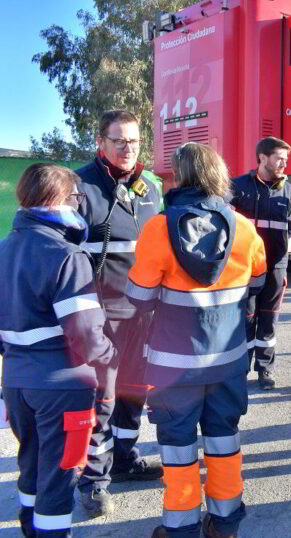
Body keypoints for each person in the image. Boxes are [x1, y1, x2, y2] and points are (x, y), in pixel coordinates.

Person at [126, 143, 266, 538]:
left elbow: (138, 298)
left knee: (177, 447)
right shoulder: (244, 227)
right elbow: (257, 283)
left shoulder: (158, 227)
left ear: (181, 175)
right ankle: (225, 523)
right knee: (224, 441)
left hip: (173, 366)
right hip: (228, 361)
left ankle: (181, 526)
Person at [1, 164, 116, 537]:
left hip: (17, 381)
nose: (79, 205)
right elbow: (86, 334)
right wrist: (111, 358)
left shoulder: (4, 249)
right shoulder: (67, 256)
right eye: (75, 198)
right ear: (58, 200)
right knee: (60, 474)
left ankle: (29, 529)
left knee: (32, 464)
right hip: (64, 388)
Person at [75, 109, 163, 517]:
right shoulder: (80, 185)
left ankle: (124, 458)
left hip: (144, 313)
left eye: (134, 141)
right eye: (119, 141)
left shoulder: (150, 189)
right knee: (102, 400)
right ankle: (93, 481)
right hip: (101, 316)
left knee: (133, 394)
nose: (128, 149)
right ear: (101, 143)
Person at [230, 137, 291, 391]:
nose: (284, 164)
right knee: (246, 318)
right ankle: (240, 367)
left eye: (286, 159)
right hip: (245, 268)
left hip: (275, 267)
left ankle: (265, 369)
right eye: (279, 158)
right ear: (262, 158)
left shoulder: (290, 191)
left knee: (269, 319)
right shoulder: (238, 186)